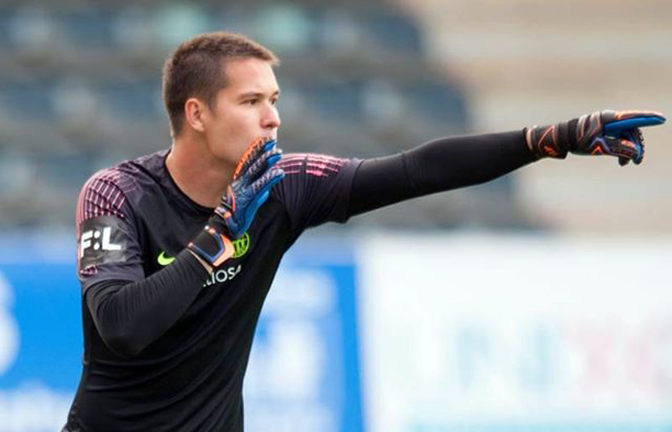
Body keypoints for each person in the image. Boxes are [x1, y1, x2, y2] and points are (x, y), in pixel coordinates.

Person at [63, 31, 665, 432]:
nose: (273, 118)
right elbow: (122, 326)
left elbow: (414, 170)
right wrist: (220, 233)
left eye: (274, 99)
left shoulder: (283, 187)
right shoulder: (117, 194)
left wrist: (549, 139)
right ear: (197, 113)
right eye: (251, 102)